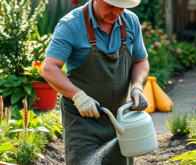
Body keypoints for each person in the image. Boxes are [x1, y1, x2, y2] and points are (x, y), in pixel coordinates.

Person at [41, 0, 149, 164]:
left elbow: (141, 61)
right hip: (83, 123)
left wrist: (137, 87)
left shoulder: (130, 21)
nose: (117, 12)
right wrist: (78, 96)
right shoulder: (71, 25)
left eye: (121, 7)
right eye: (111, 5)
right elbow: (49, 68)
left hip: (120, 122)